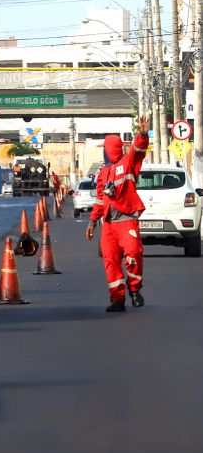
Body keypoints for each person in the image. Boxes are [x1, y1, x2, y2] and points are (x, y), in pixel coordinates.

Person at [85, 114, 151, 312]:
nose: (103, 154)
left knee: (133, 254)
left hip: (127, 220)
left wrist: (143, 132)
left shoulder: (128, 162)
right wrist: (91, 221)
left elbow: (139, 149)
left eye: (104, 149)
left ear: (109, 149)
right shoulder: (103, 173)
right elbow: (99, 200)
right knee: (110, 261)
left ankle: (134, 289)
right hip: (109, 225)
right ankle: (117, 299)